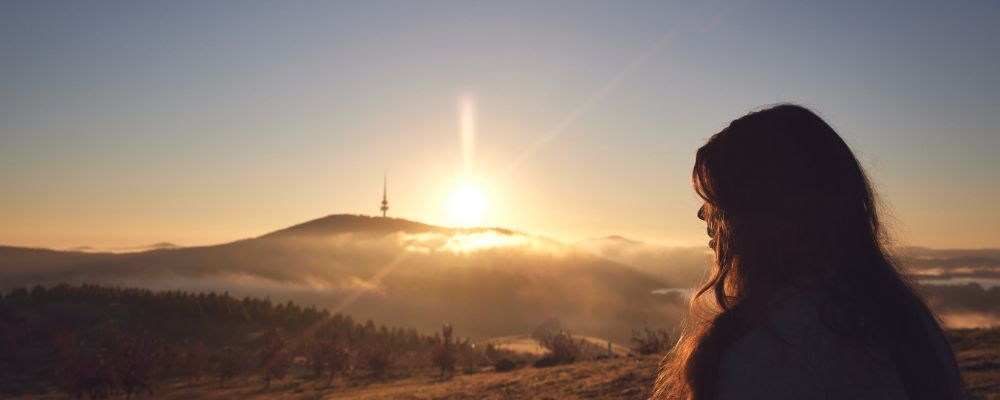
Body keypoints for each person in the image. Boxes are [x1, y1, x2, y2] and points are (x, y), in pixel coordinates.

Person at [652, 104, 966, 399]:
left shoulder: (776, 353)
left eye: (716, 200)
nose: (703, 216)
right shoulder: (903, 319)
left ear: (763, 213)